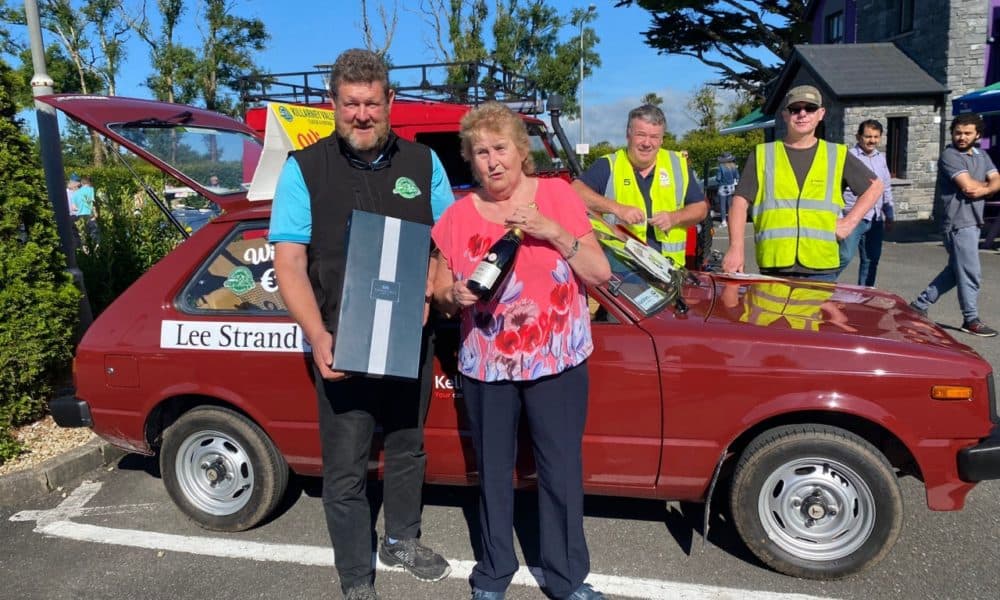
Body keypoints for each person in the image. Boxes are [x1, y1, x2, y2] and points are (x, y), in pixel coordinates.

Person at [269, 48, 454, 600]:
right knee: (345, 470)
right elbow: (288, 262)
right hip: (339, 342)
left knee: (406, 445)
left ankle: (401, 540)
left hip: (406, 339)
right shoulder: (304, 170)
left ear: (391, 102)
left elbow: (450, 237)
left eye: (372, 103)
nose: (362, 115)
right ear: (333, 105)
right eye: (350, 104)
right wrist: (317, 336)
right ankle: (355, 577)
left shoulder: (424, 164)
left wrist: (434, 285)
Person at [430, 102, 611, 600]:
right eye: (481, 152)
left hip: (558, 360)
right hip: (487, 365)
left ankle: (565, 576)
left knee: (560, 470)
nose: (492, 160)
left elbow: (599, 272)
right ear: (470, 160)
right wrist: (454, 296)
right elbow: (440, 291)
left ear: (520, 150)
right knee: (492, 472)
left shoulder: (556, 196)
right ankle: (493, 570)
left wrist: (551, 230)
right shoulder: (456, 217)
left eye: (500, 148)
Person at [722, 85, 884, 281]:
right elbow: (739, 202)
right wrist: (735, 248)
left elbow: (875, 187)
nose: (802, 114)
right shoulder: (763, 154)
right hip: (775, 264)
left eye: (810, 108)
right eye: (795, 109)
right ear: (785, 115)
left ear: (821, 114)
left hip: (821, 267)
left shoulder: (836, 154)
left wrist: (848, 224)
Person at [571, 104, 708, 267]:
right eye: (641, 135)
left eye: (654, 137)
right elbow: (574, 192)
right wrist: (617, 208)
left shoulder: (677, 164)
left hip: (669, 273)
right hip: (622, 274)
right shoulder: (609, 164)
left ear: (662, 139)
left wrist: (674, 217)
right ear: (628, 135)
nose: (647, 143)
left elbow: (700, 208)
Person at [910, 113, 999, 337]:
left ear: (977, 135)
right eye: (958, 132)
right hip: (958, 221)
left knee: (956, 270)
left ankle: (918, 306)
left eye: (967, 133)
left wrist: (986, 188)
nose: (961, 137)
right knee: (970, 272)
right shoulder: (950, 155)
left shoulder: (982, 155)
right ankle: (970, 319)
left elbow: (996, 178)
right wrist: (987, 187)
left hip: (974, 219)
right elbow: (969, 188)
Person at [837, 120, 895, 285]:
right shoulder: (848, 157)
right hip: (853, 217)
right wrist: (840, 216)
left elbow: (886, 187)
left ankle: (865, 295)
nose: (872, 140)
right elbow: (837, 188)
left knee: (871, 259)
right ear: (858, 136)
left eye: (876, 137)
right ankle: (821, 285)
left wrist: (889, 214)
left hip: (875, 218)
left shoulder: (880, 158)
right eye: (868, 136)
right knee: (844, 256)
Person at [715, 152, 740, 228]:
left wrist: (719, 181)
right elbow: (737, 176)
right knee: (729, 204)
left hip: (723, 187)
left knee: (722, 205)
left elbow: (718, 178)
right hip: (731, 187)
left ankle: (724, 221)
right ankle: (731, 220)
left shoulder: (721, 167)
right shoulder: (734, 166)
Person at [71, 175, 99, 240]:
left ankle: (85, 249)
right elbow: (91, 202)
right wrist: (95, 213)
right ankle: (96, 248)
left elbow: (74, 208)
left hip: (79, 217)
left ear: (81, 183)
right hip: (89, 215)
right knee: (94, 235)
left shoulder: (75, 193)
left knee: (83, 236)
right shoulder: (90, 190)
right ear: (89, 183)